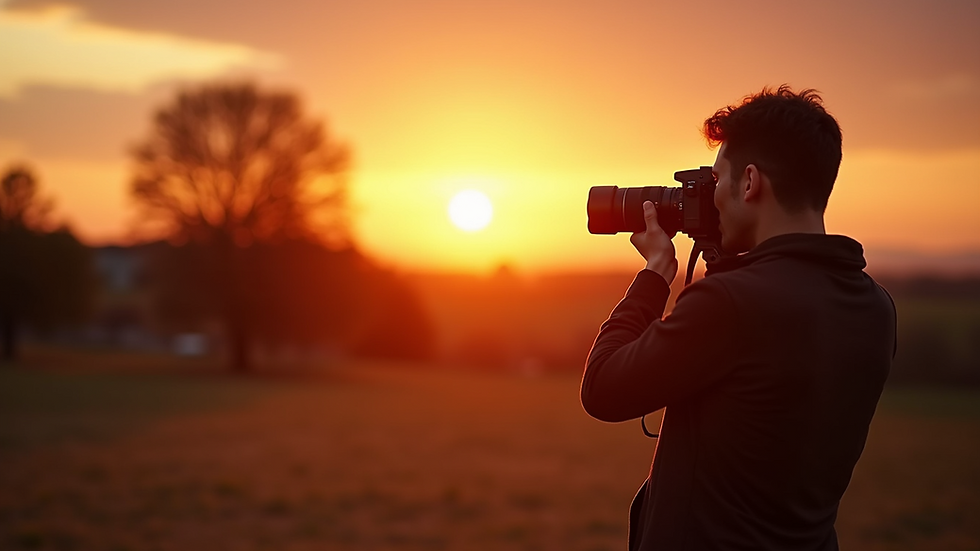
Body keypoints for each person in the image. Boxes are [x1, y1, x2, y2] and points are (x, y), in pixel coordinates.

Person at [580, 86, 896, 550]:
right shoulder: (875, 307)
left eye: (717, 181)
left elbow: (602, 389)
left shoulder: (732, 304)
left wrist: (654, 276)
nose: (714, 198)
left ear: (749, 183)